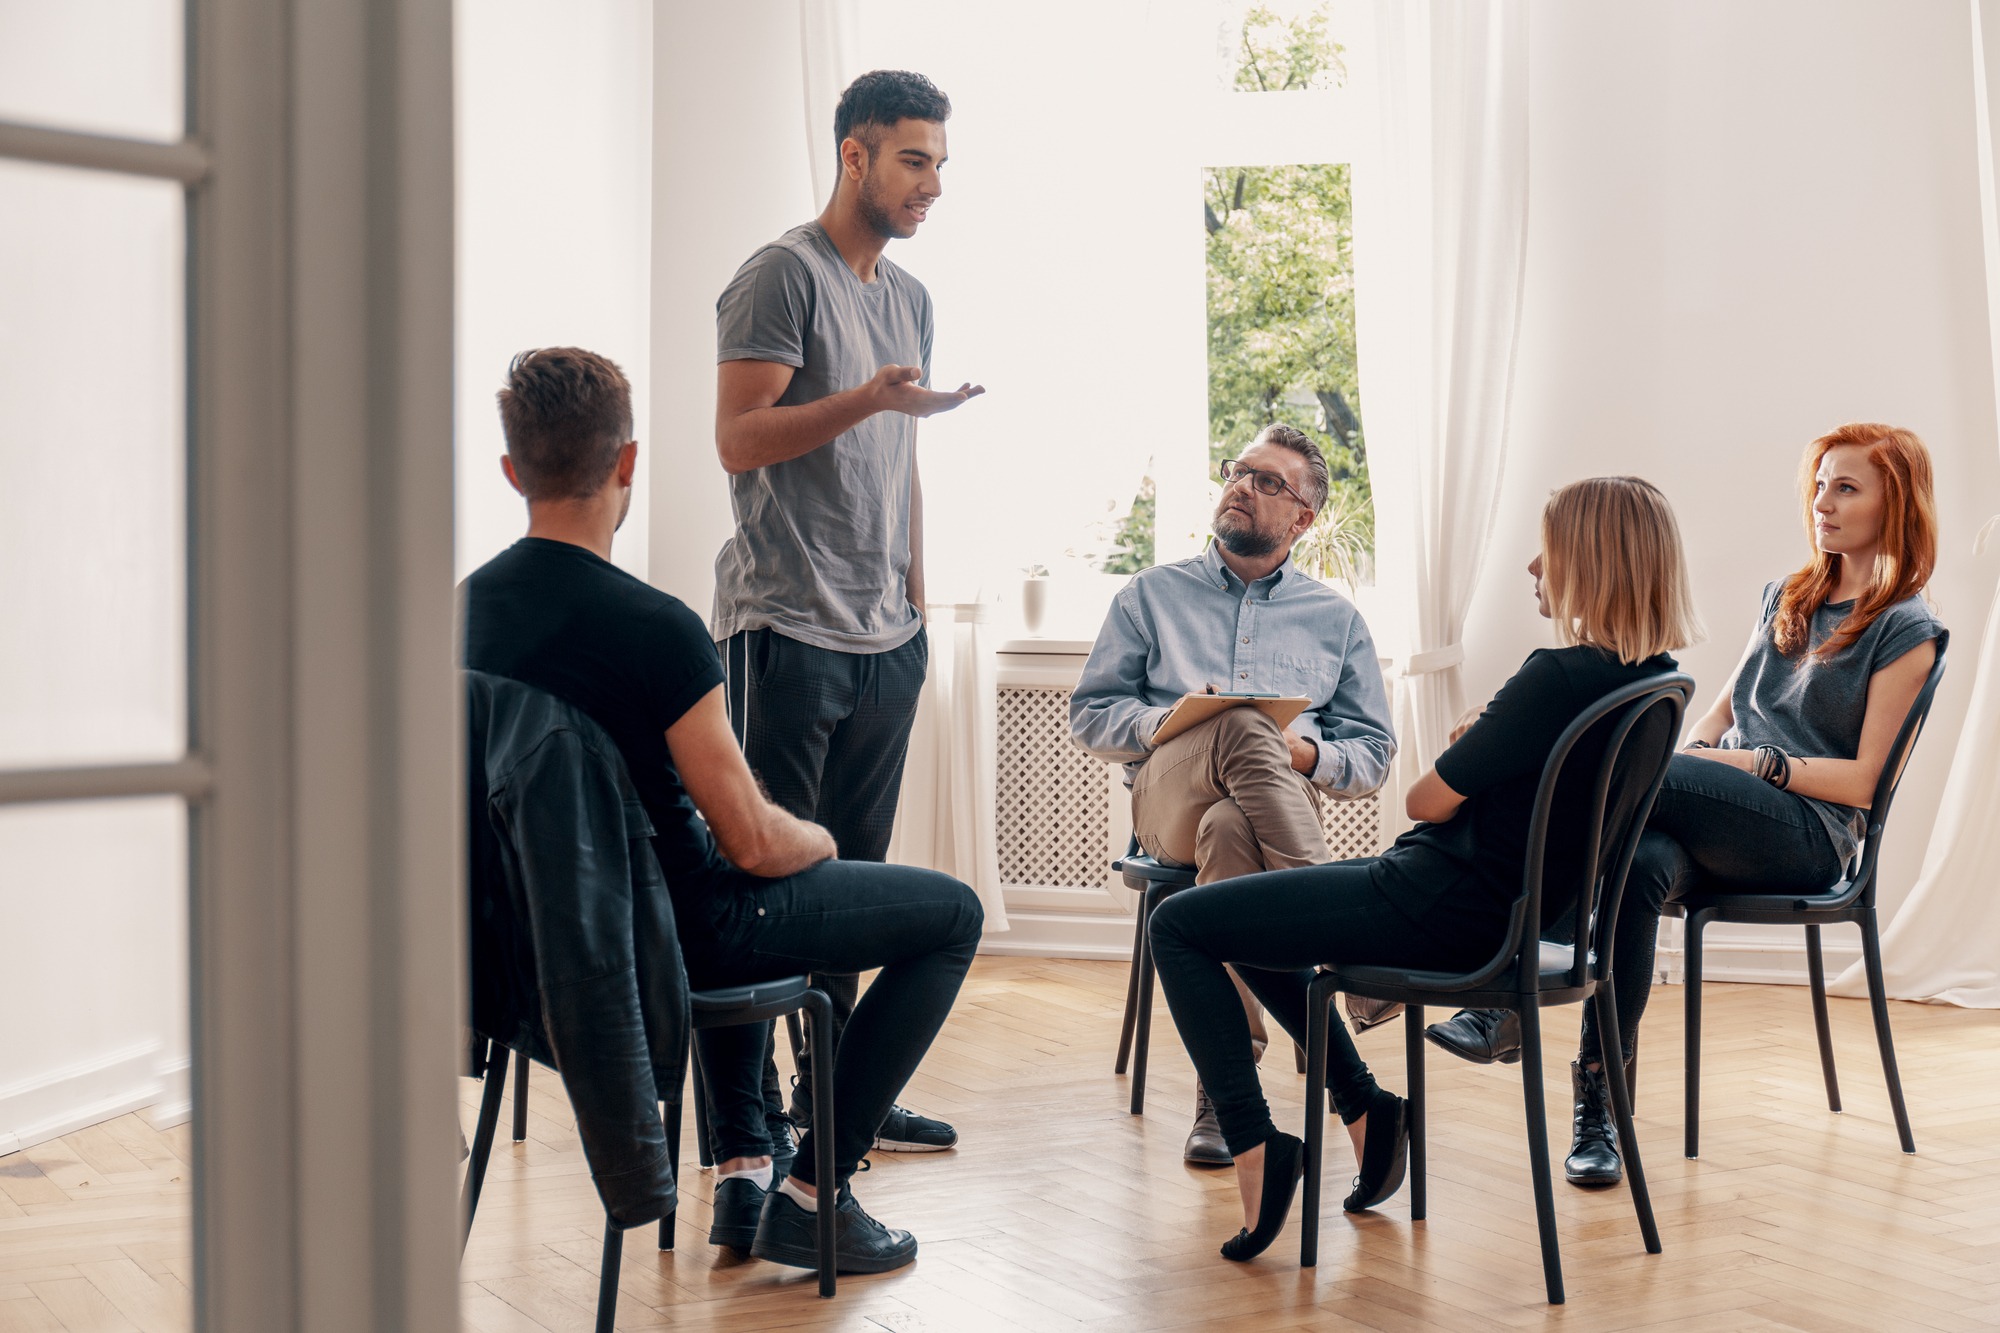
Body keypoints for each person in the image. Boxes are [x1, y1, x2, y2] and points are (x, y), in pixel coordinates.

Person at [461, 348, 984, 1274]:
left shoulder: (459, 614)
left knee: (737, 872)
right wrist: (818, 835)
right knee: (951, 912)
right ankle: (814, 1192)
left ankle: (747, 1158)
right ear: (627, 464)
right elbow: (751, 835)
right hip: (679, 931)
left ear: (512, 472)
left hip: (529, 945)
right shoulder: (656, 627)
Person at [1149, 475, 1699, 1262]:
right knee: (1242, 922)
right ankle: (1367, 1109)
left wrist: (1475, 738)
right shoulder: (1657, 682)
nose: (1536, 568)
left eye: (1550, 550)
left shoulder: (1554, 676)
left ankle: (1256, 1144)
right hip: (1503, 916)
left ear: (1592, 558)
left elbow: (1424, 798)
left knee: (1180, 923)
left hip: (1434, 905)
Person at [1425, 423, 1943, 1189]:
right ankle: (1601, 1105)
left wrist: (1753, 763)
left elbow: (1864, 782)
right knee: (1638, 863)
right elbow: (1712, 717)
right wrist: (1706, 753)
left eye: (1846, 487)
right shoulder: (1787, 596)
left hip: (1806, 834)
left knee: (1614, 767)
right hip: (1715, 808)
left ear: (1894, 502)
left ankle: (1504, 962)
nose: (1821, 502)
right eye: (1819, 484)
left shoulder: (1905, 625)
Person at [712, 69, 983, 1155]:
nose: (930, 186)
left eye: (939, 165)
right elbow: (738, 437)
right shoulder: (780, 275)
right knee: (767, 886)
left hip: (884, 639)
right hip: (783, 629)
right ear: (855, 156)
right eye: (913, 160)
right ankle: (746, 1129)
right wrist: (865, 396)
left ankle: (834, 1097)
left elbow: (898, 459)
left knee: (852, 889)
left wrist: (913, 607)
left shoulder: (908, 298)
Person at [1070, 423, 1396, 1165]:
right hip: (1165, 800)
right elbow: (1091, 714)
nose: (1242, 486)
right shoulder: (1150, 593)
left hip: (1266, 812)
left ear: (1302, 519)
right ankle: (1353, 947)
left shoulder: (1336, 619)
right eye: (1238, 471)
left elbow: (1374, 753)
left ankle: (1228, 1086)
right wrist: (1179, 719)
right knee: (1239, 724)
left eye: (1267, 481)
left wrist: (1304, 751)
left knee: (1230, 828)